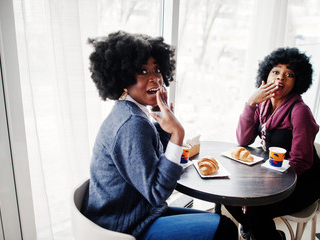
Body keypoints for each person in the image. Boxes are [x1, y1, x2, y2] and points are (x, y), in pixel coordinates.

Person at [81, 31, 237, 240]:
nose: (154, 78)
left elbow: (152, 162)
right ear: (123, 78)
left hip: (138, 214)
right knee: (224, 229)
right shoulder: (132, 124)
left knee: (222, 223)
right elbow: (157, 193)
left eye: (156, 70)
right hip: (125, 227)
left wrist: (163, 129)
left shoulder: (130, 113)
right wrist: (177, 133)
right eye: (143, 71)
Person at [225, 47, 320, 240]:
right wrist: (250, 103)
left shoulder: (299, 111)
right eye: (276, 72)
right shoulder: (262, 104)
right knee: (228, 194)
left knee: (256, 211)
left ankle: (260, 232)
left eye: (289, 74)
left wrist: (265, 189)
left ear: (297, 82)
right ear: (266, 76)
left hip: (303, 180)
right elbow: (243, 140)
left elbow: (301, 162)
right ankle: (260, 232)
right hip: (274, 172)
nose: (280, 78)